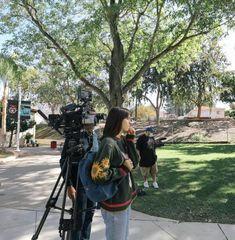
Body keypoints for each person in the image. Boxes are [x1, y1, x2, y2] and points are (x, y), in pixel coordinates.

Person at [91, 107, 139, 240]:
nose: (130, 122)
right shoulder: (108, 144)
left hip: (124, 199)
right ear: (119, 121)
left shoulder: (121, 140)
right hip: (114, 202)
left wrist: (130, 140)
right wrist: (122, 170)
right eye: (128, 118)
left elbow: (134, 163)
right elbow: (98, 175)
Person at [60, 123, 98, 240]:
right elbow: (63, 162)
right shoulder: (74, 137)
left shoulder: (96, 136)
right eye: (88, 119)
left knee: (89, 216)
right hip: (78, 184)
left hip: (93, 185)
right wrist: (69, 185)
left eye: (94, 119)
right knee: (78, 219)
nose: (91, 123)